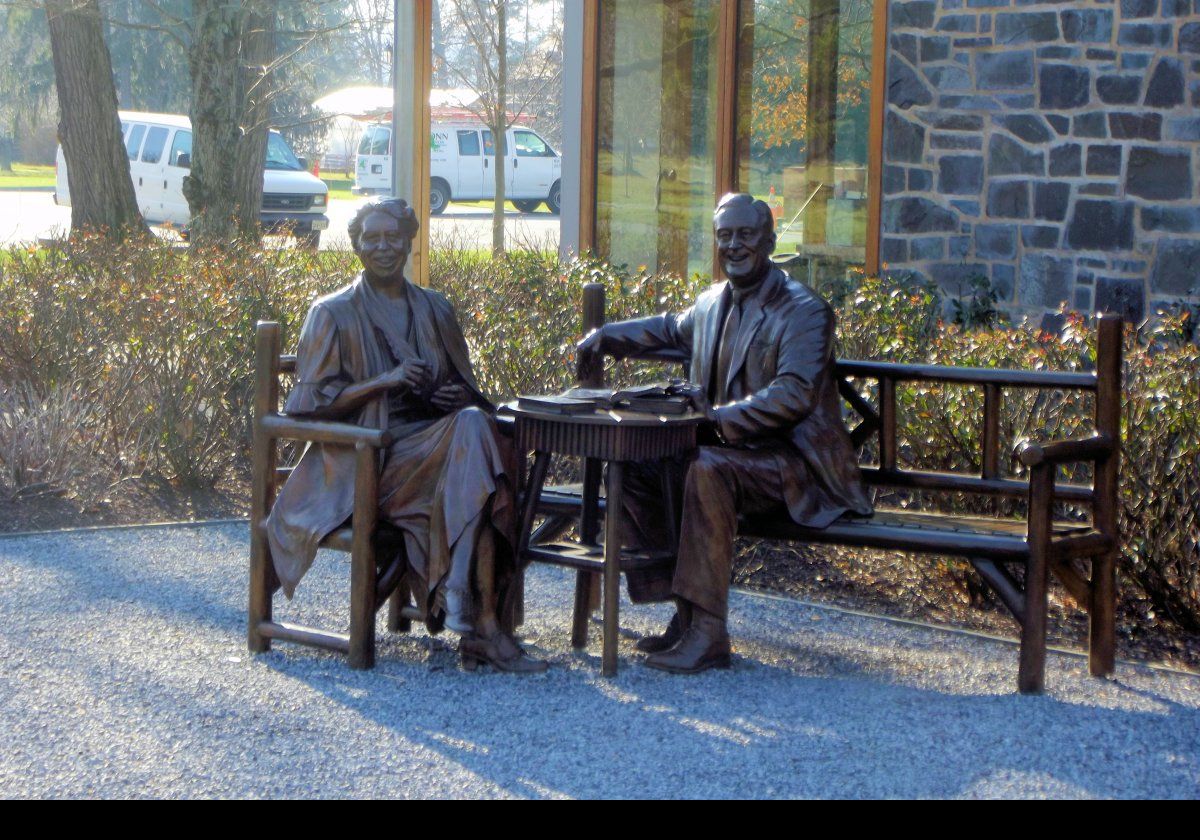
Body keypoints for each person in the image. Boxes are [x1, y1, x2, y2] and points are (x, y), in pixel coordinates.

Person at [576, 192, 873, 674]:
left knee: (705, 469)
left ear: (770, 241)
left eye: (745, 235)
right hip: (728, 456)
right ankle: (683, 609)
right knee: (635, 463)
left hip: (794, 466)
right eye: (724, 236)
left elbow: (794, 395)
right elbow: (669, 328)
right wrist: (607, 334)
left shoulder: (805, 311)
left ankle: (710, 634)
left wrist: (713, 420)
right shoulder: (711, 302)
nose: (733, 245)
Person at [266, 197, 545, 673]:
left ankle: (469, 602)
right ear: (355, 245)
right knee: (482, 469)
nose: (382, 247)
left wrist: (451, 397)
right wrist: (385, 381)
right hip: (370, 464)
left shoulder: (435, 308)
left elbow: (471, 395)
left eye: (392, 237)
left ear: (410, 242)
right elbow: (304, 405)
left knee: (478, 437)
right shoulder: (332, 313)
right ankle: (485, 627)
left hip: (441, 456)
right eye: (371, 238)